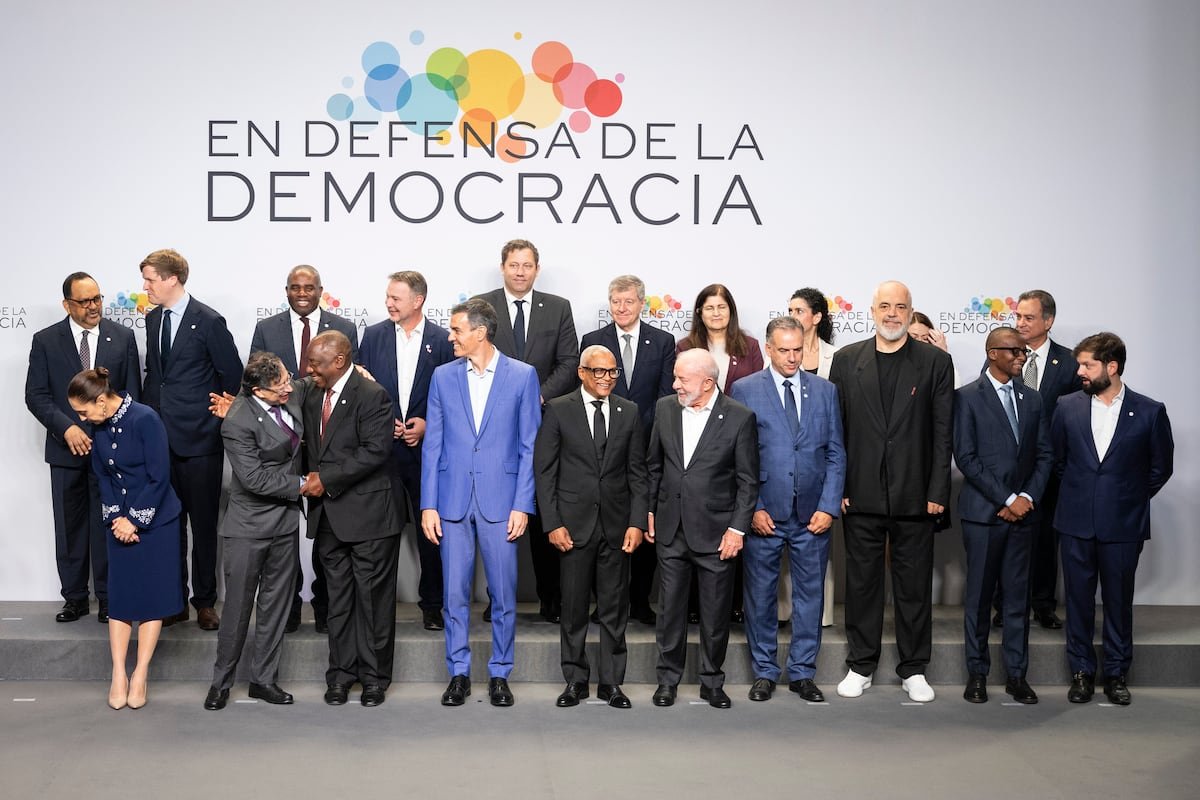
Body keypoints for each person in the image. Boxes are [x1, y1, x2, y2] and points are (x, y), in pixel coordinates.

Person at [828, 280, 954, 703]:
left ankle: (913, 668)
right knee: (862, 585)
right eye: (885, 306)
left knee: (913, 586)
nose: (892, 314)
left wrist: (938, 489)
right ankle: (860, 664)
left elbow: (942, 431)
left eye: (900, 307)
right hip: (860, 493)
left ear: (911, 310)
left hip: (916, 495)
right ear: (872, 310)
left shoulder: (935, 363)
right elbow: (836, 432)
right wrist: (839, 487)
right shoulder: (847, 361)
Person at [421, 299, 542, 708]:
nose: (450, 337)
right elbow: (433, 444)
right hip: (451, 502)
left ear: (480, 332)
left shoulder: (523, 376)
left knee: (504, 595)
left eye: (456, 330)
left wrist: (523, 504)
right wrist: (428, 505)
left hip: (501, 502)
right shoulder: (441, 377)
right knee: (453, 594)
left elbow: (530, 446)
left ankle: (499, 673)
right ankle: (458, 672)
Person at [1053, 332, 1173, 705]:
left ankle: (1118, 673)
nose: (1080, 371)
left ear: (1112, 367)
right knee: (1077, 602)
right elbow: (1057, 461)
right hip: (1075, 523)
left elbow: (1160, 468)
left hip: (1123, 524)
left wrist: (1126, 499)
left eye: (1087, 364)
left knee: (1119, 602)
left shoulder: (1150, 411)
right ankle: (1082, 673)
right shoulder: (1067, 405)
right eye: (1080, 364)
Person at [729, 316, 844, 703]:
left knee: (810, 597)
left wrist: (829, 506)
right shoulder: (744, 389)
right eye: (784, 350)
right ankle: (764, 672)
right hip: (764, 514)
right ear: (769, 348)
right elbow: (737, 457)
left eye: (798, 349)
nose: (793, 357)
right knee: (759, 596)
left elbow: (836, 453)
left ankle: (802, 673)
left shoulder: (825, 391)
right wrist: (753, 509)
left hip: (813, 515)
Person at [535, 345, 649, 709]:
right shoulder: (558, 409)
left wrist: (636, 521)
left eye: (612, 372)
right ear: (581, 372)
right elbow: (545, 472)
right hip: (572, 527)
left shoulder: (629, 411)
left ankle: (612, 683)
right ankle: (576, 681)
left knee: (615, 610)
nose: (605, 379)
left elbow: (638, 473)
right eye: (598, 372)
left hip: (617, 528)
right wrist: (552, 523)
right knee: (573, 609)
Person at [250, 264, 360, 633]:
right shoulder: (267, 329)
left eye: (308, 287)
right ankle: (290, 603)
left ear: (320, 290)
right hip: (282, 439)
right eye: (295, 287)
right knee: (283, 527)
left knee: (327, 522)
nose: (301, 293)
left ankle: (325, 601)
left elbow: (350, 386)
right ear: (286, 290)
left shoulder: (343, 328)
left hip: (326, 437)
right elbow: (256, 380)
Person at [25, 272, 141, 624]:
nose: (93, 307)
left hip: (112, 451)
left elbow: (132, 393)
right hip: (65, 450)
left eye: (97, 299)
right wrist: (68, 428)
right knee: (70, 524)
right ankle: (74, 597)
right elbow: (36, 395)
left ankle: (108, 597)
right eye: (84, 301)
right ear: (67, 304)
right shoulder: (46, 340)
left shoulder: (122, 337)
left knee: (109, 522)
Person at [646, 348, 759, 709]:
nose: (675, 384)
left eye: (684, 379)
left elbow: (747, 482)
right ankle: (667, 681)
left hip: (716, 533)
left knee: (714, 614)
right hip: (670, 528)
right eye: (676, 377)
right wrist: (649, 511)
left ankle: (712, 681)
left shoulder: (740, 418)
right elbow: (654, 467)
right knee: (670, 612)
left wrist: (737, 531)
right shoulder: (665, 409)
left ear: (708, 382)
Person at [474, 239, 579, 624]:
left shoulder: (558, 307)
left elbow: (569, 362)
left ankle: (552, 600)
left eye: (527, 265)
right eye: (514, 265)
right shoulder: (481, 307)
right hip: (493, 426)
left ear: (537, 269)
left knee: (545, 508)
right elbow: (475, 355)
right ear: (502, 267)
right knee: (497, 513)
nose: (520, 271)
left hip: (545, 422)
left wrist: (536, 395)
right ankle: (497, 598)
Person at [140, 248, 243, 630]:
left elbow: (232, 378)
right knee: (167, 524)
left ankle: (204, 601)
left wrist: (213, 422)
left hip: (200, 443)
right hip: (159, 441)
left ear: (172, 279)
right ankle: (174, 600)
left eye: (150, 279)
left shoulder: (209, 321)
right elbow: (156, 376)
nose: (146, 286)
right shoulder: (153, 319)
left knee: (202, 525)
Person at [301, 331, 404, 708]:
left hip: (370, 517)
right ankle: (341, 676)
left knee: (373, 602)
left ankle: (374, 679)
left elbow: (375, 451)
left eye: (316, 363)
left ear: (339, 361)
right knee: (338, 602)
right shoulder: (313, 393)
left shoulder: (373, 395)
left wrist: (325, 480)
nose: (309, 369)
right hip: (329, 518)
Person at [68, 368, 181, 710]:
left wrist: (134, 520)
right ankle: (119, 672)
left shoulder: (145, 419)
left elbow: (159, 477)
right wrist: (117, 517)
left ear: (101, 400)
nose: (81, 418)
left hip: (156, 523)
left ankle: (141, 673)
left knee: (150, 600)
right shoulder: (99, 424)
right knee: (120, 599)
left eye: (83, 412)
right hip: (118, 523)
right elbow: (103, 476)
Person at [953, 327, 1052, 705]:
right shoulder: (966, 398)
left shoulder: (1033, 399)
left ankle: (1016, 676)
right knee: (978, 600)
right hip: (984, 515)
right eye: (1013, 351)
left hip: (1023, 516)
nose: (1021, 357)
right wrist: (1007, 497)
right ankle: (976, 674)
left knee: (1016, 600)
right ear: (992, 353)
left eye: (1024, 352)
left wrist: (1025, 497)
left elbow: (1045, 455)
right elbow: (967, 458)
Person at [203, 353, 305, 711]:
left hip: (285, 524)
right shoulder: (237, 420)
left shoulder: (289, 394)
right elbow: (254, 479)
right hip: (248, 527)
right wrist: (303, 484)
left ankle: (264, 680)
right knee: (237, 608)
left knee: (275, 607)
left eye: (288, 380)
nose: (289, 388)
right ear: (259, 390)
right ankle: (221, 683)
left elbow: (307, 386)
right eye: (281, 386)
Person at [359, 271, 456, 631]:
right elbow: (361, 389)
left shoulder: (443, 341)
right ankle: (375, 605)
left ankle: (433, 604)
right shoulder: (373, 336)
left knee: (430, 532)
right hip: (380, 454)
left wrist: (428, 425)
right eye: (387, 296)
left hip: (427, 454)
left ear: (418, 301)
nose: (389, 303)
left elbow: (453, 396)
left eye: (396, 298)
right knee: (378, 532)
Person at [580, 274, 675, 625]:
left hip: (649, 443)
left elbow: (666, 396)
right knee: (603, 522)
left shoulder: (663, 341)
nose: (621, 308)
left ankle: (639, 601)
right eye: (616, 302)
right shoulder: (594, 340)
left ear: (641, 304)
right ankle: (603, 602)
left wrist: (640, 430)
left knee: (644, 517)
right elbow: (590, 390)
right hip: (603, 444)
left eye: (628, 302)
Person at [992, 290, 1083, 630]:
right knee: (1007, 540)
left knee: (1046, 539)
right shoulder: (1005, 356)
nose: (1021, 323)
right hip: (1010, 470)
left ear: (1048, 321)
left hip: (1052, 472)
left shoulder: (1071, 362)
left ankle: (1044, 604)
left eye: (1028, 318)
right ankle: (1006, 604)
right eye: (1018, 317)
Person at [676, 283, 763, 624]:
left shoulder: (750, 347)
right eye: (709, 307)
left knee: (733, 522)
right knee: (695, 529)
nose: (716, 313)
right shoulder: (685, 346)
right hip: (697, 444)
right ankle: (695, 605)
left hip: (736, 443)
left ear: (731, 311)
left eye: (722, 307)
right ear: (699, 312)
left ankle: (735, 604)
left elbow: (756, 393)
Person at [787, 287, 839, 627]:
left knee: (818, 550)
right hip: (783, 471)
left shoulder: (839, 357)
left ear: (816, 317)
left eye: (799, 310)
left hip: (819, 471)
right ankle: (781, 612)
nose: (792, 316)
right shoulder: (773, 358)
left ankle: (820, 616)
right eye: (789, 310)